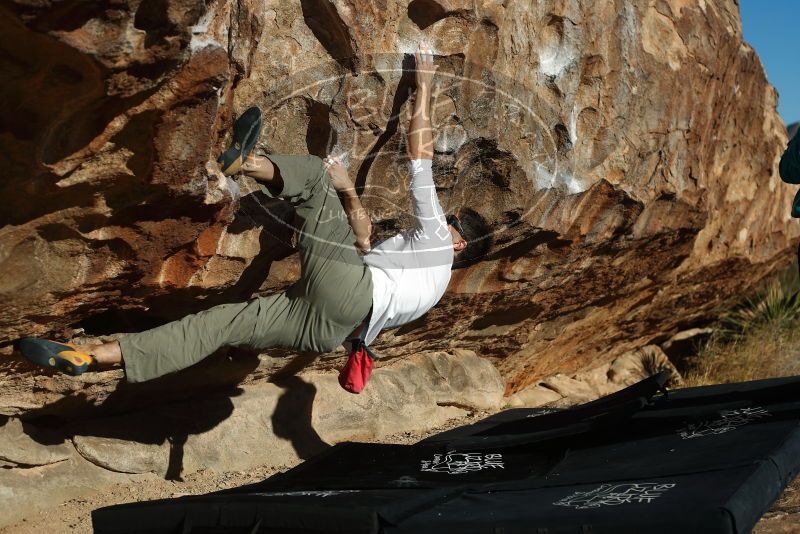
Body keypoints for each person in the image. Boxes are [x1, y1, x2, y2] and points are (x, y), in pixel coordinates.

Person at [17, 42, 491, 392]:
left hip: (346, 296)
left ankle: (245, 163)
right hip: (329, 329)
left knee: (316, 183)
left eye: (452, 223)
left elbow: (420, 157)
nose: (443, 220)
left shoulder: (436, 244)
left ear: (459, 243)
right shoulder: (428, 289)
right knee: (221, 323)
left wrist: (426, 85)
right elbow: (363, 243)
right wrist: (350, 191)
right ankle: (90, 358)